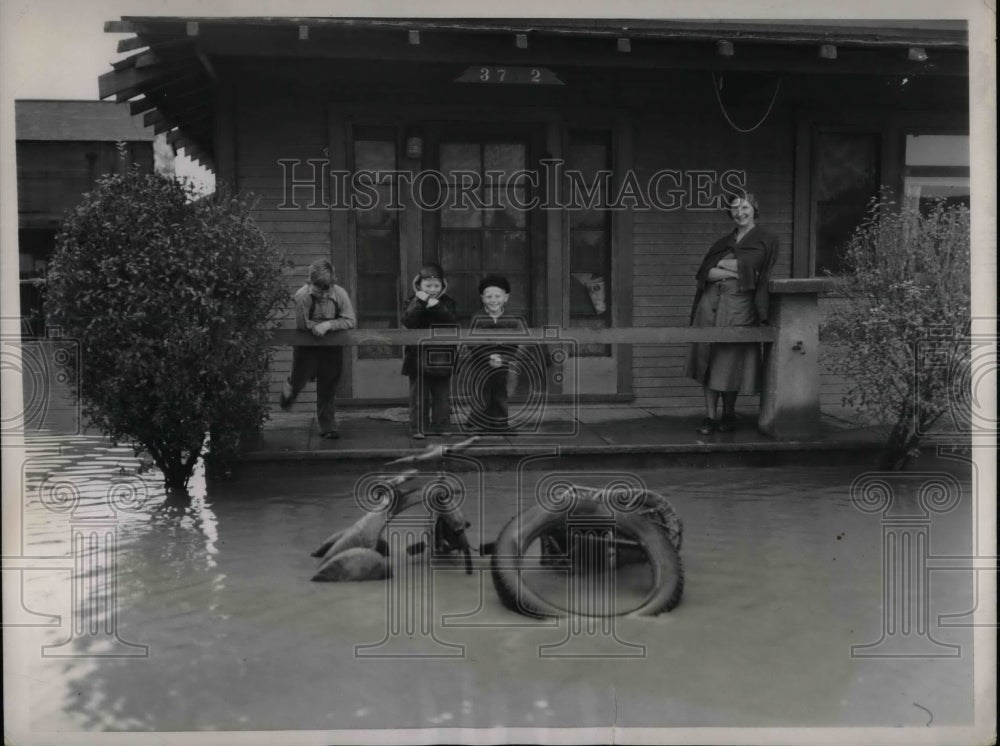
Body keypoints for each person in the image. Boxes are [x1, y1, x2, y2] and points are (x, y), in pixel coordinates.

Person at [684, 192, 778, 435]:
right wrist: (735, 270)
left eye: (745, 207)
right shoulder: (723, 242)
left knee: (730, 360)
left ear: (754, 208)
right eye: (735, 209)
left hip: (739, 306)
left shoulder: (765, 239)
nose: (740, 213)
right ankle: (710, 416)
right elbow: (705, 273)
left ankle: (728, 413)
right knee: (708, 358)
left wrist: (724, 267)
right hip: (710, 304)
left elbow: (755, 268)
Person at [280, 258, 356, 439]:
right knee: (300, 379)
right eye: (317, 289)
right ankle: (290, 387)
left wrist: (328, 325)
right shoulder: (302, 296)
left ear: (333, 282)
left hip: (331, 346)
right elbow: (302, 325)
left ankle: (327, 426)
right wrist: (316, 326)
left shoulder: (340, 295)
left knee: (328, 386)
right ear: (310, 282)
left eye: (326, 289)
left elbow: (350, 321)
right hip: (307, 346)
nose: (322, 295)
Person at [401, 263, 458, 439]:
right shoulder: (411, 301)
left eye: (436, 286)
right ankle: (418, 427)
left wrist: (437, 306)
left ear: (443, 286)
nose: (432, 289)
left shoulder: (448, 303)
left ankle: (442, 425)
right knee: (418, 396)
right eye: (428, 285)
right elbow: (408, 322)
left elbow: (452, 322)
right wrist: (420, 302)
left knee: (441, 395)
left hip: (442, 355)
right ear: (419, 285)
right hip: (417, 355)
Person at [463, 274, 524, 433]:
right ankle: (476, 423)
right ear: (483, 298)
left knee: (500, 392)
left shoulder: (512, 319)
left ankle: (500, 424)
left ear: (506, 298)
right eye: (488, 296)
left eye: (497, 296)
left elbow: (514, 342)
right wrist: (488, 356)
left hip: (502, 362)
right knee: (481, 392)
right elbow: (472, 341)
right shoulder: (477, 317)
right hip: (481, 361)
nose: (493, 300)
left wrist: (502, 358)